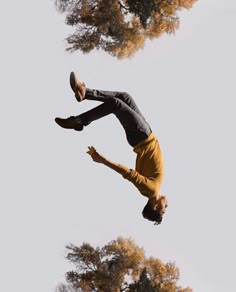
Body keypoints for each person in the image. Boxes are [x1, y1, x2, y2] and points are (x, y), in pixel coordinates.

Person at [55, 72, 168, 224]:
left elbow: (129, 174)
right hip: (146, 135)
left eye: (163, 209)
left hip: (142, 137)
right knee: (124, 97)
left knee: (116, 104)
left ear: (154, 206)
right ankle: (84, 92)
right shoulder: (152, 188)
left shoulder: (151, 190)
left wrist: (103, 160)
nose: (166, 206)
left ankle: (78, 121)